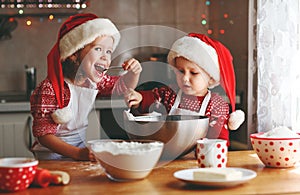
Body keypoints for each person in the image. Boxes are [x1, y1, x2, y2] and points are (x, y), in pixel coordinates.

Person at [30, 13, 142, 161]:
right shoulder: (49, 88)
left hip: (78, 154)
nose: (105, 57)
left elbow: (122, 87)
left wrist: (134, 73)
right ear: (73, 54)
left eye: (108, 51)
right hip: (51, 158)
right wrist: (77, 153)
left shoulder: (93, 82)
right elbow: (43, 135)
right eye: (98, 49)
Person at [125, 33, 244, 144]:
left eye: (193, 73)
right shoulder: (169, 94)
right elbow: (151, 99)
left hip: (198, 160)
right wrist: (139, 98)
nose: (185, 78)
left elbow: (219, 141)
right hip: (169, 156)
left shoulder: (217, 106)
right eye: (181, 71)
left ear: (211, 79)